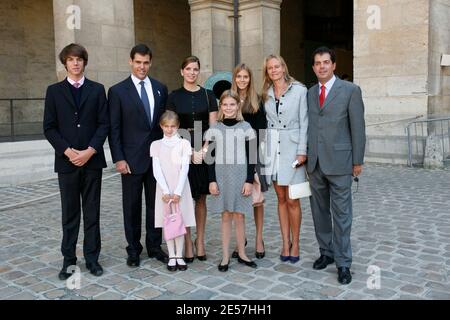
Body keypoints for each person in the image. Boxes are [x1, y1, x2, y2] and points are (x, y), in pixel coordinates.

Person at [43, 43, 109, 280]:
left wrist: (90, 150)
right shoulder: (54, 91)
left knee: (92, 212)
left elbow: (104, 124)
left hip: (92, 161)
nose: (75, 63)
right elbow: (49, 127)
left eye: (79, 59)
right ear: (65, 63)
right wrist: (68, 152)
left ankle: (92, 258)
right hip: (67, 163)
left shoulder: (98, 89)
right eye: (70, 59)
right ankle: (68, 259)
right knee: (70, 214)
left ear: (84, 62)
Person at [307, 46, 366, 285]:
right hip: (316, 164)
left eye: (326, 62)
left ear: (333, 65)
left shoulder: (350, 90)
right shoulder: (310, 92)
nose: (322, 66)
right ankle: (326, 253)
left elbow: (358, 127)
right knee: (320, 213)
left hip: (341, 163)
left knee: (342, 216)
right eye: (317, 63)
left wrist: (357, 161)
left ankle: (343, 263)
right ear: (313, 67)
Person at [108, 44, 169, 267]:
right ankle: (133, 249)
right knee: (132, 207)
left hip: (156, 160)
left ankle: (154, 246)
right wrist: (119, 158)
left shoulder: (161, 88)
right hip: (130, 161)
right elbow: (114, 128)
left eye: (145, 63)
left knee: (156, 206)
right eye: (138, 62)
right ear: (130, 62)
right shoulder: (117, 91)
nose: (142, 67)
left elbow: (163, 125)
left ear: (150, 63)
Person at [166, 56, 218, 262]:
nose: (192, 72)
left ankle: (201, 240)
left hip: (205, 149)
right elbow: (171, 128)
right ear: (182, 72)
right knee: (185, 198)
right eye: (188, 68)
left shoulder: (209, 95)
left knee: (201, 198)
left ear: (199, 72)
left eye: (195, 69)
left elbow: (214, 128)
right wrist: (189, 152)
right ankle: (187, 242)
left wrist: (203, 151)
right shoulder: (174, 96)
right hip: (181, 150)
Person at [261, 54, 308, 264]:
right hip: (272, 149)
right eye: (270, 68)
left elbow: (305, 122)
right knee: (280, 198)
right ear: (267, 71)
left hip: (293, 148)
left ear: (283, 67)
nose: (274, 70)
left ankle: (296, 243)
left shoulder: (300, 90)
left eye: (277, 66)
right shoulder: (266, 93)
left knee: (292, 199)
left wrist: (302, 151)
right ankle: (284, 242)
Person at [206, 90, 257, 272]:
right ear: (221, 107)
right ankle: (226, 255)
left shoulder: (246, 127)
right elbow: (210, 158)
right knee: (226, 215)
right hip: (221, 176)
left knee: (239, 215)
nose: (229, 108)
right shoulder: (215, 128)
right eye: (225, 104)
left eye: (232, 104)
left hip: (241, 176)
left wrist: (249, 180)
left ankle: (242, 253)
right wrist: (212, 181)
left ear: (238, 106)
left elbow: (252, 156)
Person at [150, 111, 196, 271]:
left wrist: (177, 191)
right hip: (163, 190)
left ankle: (179, 255)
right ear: (161, 126)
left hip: (180, 188)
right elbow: (156, 169)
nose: (169, 129)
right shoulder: (155, 145)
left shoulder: (183, 144)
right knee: (168, 222)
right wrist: (165, 190)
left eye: (173, 126)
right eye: (166, 126)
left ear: (178, 126)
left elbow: (185, 168)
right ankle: (171, 255)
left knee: (180, 221)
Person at [230, 63, 268, 259]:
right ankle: (240, 238)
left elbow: (262, 130)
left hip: (254, 153)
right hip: (234, 156)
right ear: (234, 78)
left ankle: (259, 239)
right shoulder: (230, 99)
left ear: (250, 79)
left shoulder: (257, 100)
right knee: (239, 200)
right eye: (239, 76)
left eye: (245, 76)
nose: (242, 80)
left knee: (257, 199)